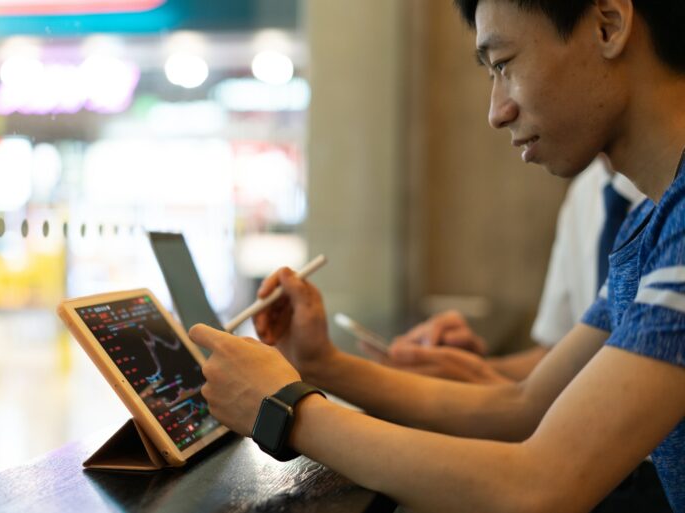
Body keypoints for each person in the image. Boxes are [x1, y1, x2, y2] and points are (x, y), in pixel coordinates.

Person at [189, 1, 685, 511]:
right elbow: (525, 405)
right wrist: (322, 365)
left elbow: (540, 484)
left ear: (609, 25)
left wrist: (283, 410)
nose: (497, 111)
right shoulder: (651, 222)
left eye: (505, 64)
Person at [365, 157, 646, 385]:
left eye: (513, 82)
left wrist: (331, 368)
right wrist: (465, 368)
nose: (498, 113)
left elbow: (529, 408)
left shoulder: (671, 213)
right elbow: (562, 361)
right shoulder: (586, 190)